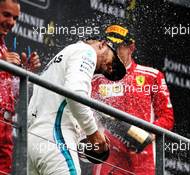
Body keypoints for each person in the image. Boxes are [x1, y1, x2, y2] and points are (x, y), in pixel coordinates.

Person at [27, 39, 126, 175]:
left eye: (109, 71)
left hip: (33, 142)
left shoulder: (62, 59)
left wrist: (84, 141)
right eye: (113, 61)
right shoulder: (86, 51)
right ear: (103, 44)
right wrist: (93, 134)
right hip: (55, 139)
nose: (110, 69)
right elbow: (75, 93)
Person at [91, 24, 175, 175]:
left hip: (143, 156)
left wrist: (147, 135)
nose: (114, 51)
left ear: (131, 47)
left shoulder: (152, 76)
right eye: (110, 46)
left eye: (119, 46)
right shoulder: (97, 80)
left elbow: (167, 118)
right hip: (111, 155)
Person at [0, 0, 41, 174]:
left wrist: (24, 74)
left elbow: (9, 93)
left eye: (15, 18)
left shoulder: (3, 47)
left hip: (5, 128)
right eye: (6, 14)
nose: (11, 22)